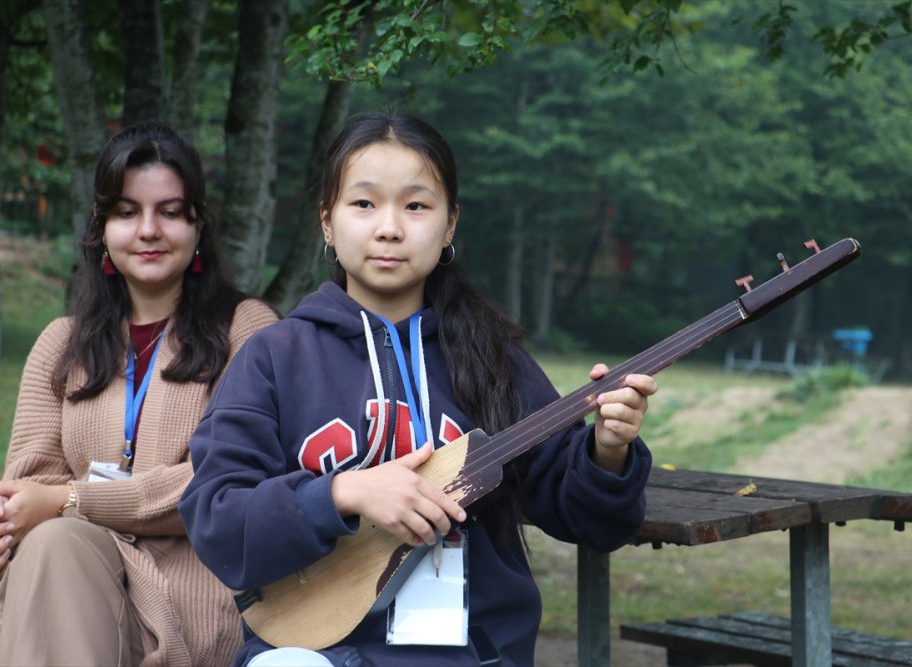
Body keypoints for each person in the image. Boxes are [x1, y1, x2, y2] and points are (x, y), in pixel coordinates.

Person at [180, 112, 658, 667]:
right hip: (321, 651)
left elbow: (592, 520)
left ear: (450, 224)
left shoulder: (495, 359)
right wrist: (342, 494)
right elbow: (218, 518)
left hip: (474, 657)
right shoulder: (274, 356)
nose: (389, 228)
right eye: (363, 204)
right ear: (327, 223)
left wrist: (608, 449)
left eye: (416, 205)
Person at [0, 120, 279, 666]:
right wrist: (2, 530)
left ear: (198, 224)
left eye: (170, 212)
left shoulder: (246, 331)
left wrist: (72, 499)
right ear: (102, 227)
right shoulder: (62, 343)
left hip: (193, 613)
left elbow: (225, 482)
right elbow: (31, 486)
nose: (148, 229)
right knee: (51, 545)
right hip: (73, 592)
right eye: (127, 212)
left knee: (56, 535)